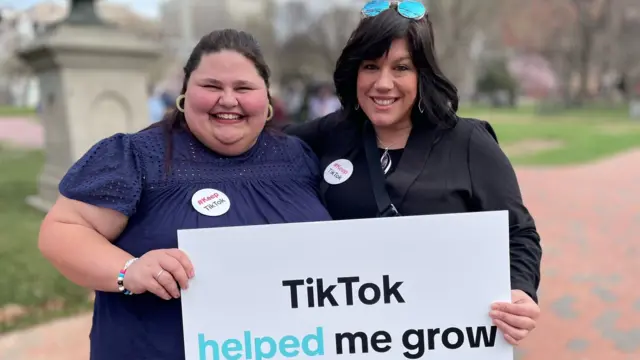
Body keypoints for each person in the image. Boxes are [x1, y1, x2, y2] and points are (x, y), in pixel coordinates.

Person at [37, 29, 331, 359]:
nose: (228, 99)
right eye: (211, 86)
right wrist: (130, 270)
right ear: (185, 93)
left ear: (266, 99)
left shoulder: (298, 157)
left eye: (244, 88)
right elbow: (61, 231)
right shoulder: (134, 156)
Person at [283, 0, 542, 346]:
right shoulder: (329, 134)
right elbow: (251, 155)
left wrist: (520, 288)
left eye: (401, 68)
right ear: (354, 72)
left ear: (423, 73)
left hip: (447, 342)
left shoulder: (468, 143)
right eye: (371, 66)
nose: (383, 83)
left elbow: (519, 232)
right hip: (350, 341)